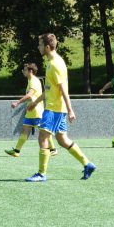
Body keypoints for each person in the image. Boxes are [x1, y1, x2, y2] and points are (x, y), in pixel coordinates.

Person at [25, 33, 96, 182]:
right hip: (55, 107)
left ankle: (41, 173)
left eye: (39, 45)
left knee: (43, 137)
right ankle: (87, 164)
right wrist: (35, 102)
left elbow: (63, 89)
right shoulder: (51, 62)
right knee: (62, 140)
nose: (38, 47)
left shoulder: (56, 64)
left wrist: (70, 109)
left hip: (54, 109)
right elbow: (50, 89)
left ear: (47, 46)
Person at [5, 63, 58, 157]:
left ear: (30, 71)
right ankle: (16, 151)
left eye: (24, 70)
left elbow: (29, 95)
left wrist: (17, 102)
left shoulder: (34, 81)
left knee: (43, 131)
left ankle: (53, 149)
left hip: (36, 111)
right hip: (31, 111)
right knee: (25, 130)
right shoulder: (30, 80)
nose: (23, 71)